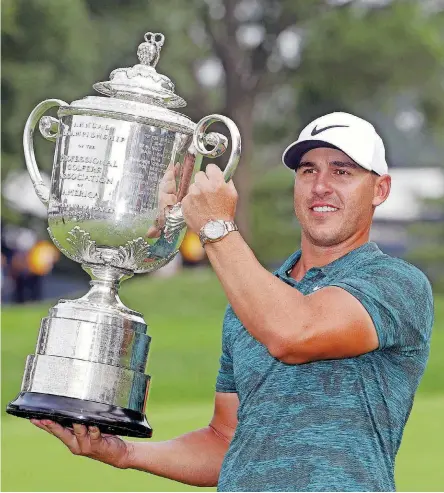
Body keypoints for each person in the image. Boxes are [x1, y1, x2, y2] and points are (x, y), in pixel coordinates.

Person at [31, 112, 434, 492]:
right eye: (308, 170)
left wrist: (216, 228)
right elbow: (224, 440)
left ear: (380, 188)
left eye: (342, 171)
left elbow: (295, 333)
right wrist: (124, 452)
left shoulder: (397, 283)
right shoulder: (249, 305)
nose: (321, 186)